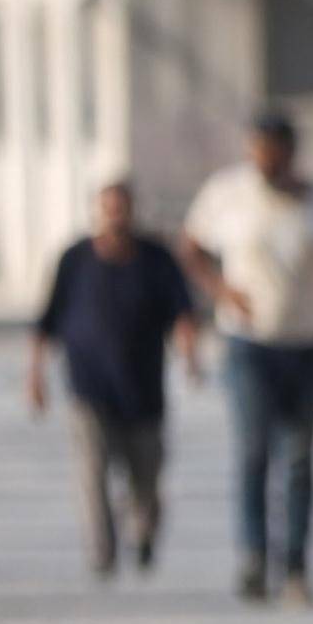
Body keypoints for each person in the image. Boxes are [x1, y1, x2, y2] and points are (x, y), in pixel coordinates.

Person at [179, 109, 313, 608]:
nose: (264, 161)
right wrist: (220, 289)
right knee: (253, 453)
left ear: (291, 152)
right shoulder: (229, 195)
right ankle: (252, 556)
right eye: (256, 150)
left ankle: (295, 566)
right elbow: (191, 246)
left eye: (273, 151)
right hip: (249, 346)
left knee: (301, 459)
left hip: (305, 346)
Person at [27, 179, 202, 578]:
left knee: (147, 481)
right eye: (108, 208)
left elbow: (183, 312)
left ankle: (141, 535)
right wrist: (35, 375)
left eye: (121, 207)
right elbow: (46, 322)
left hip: (144, 391)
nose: (115, 216)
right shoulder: (74, 259)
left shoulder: (156, 258)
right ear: (97, 212)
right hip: (88, 388)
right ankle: (102, 553)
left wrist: (190, 354)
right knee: (91, 473)